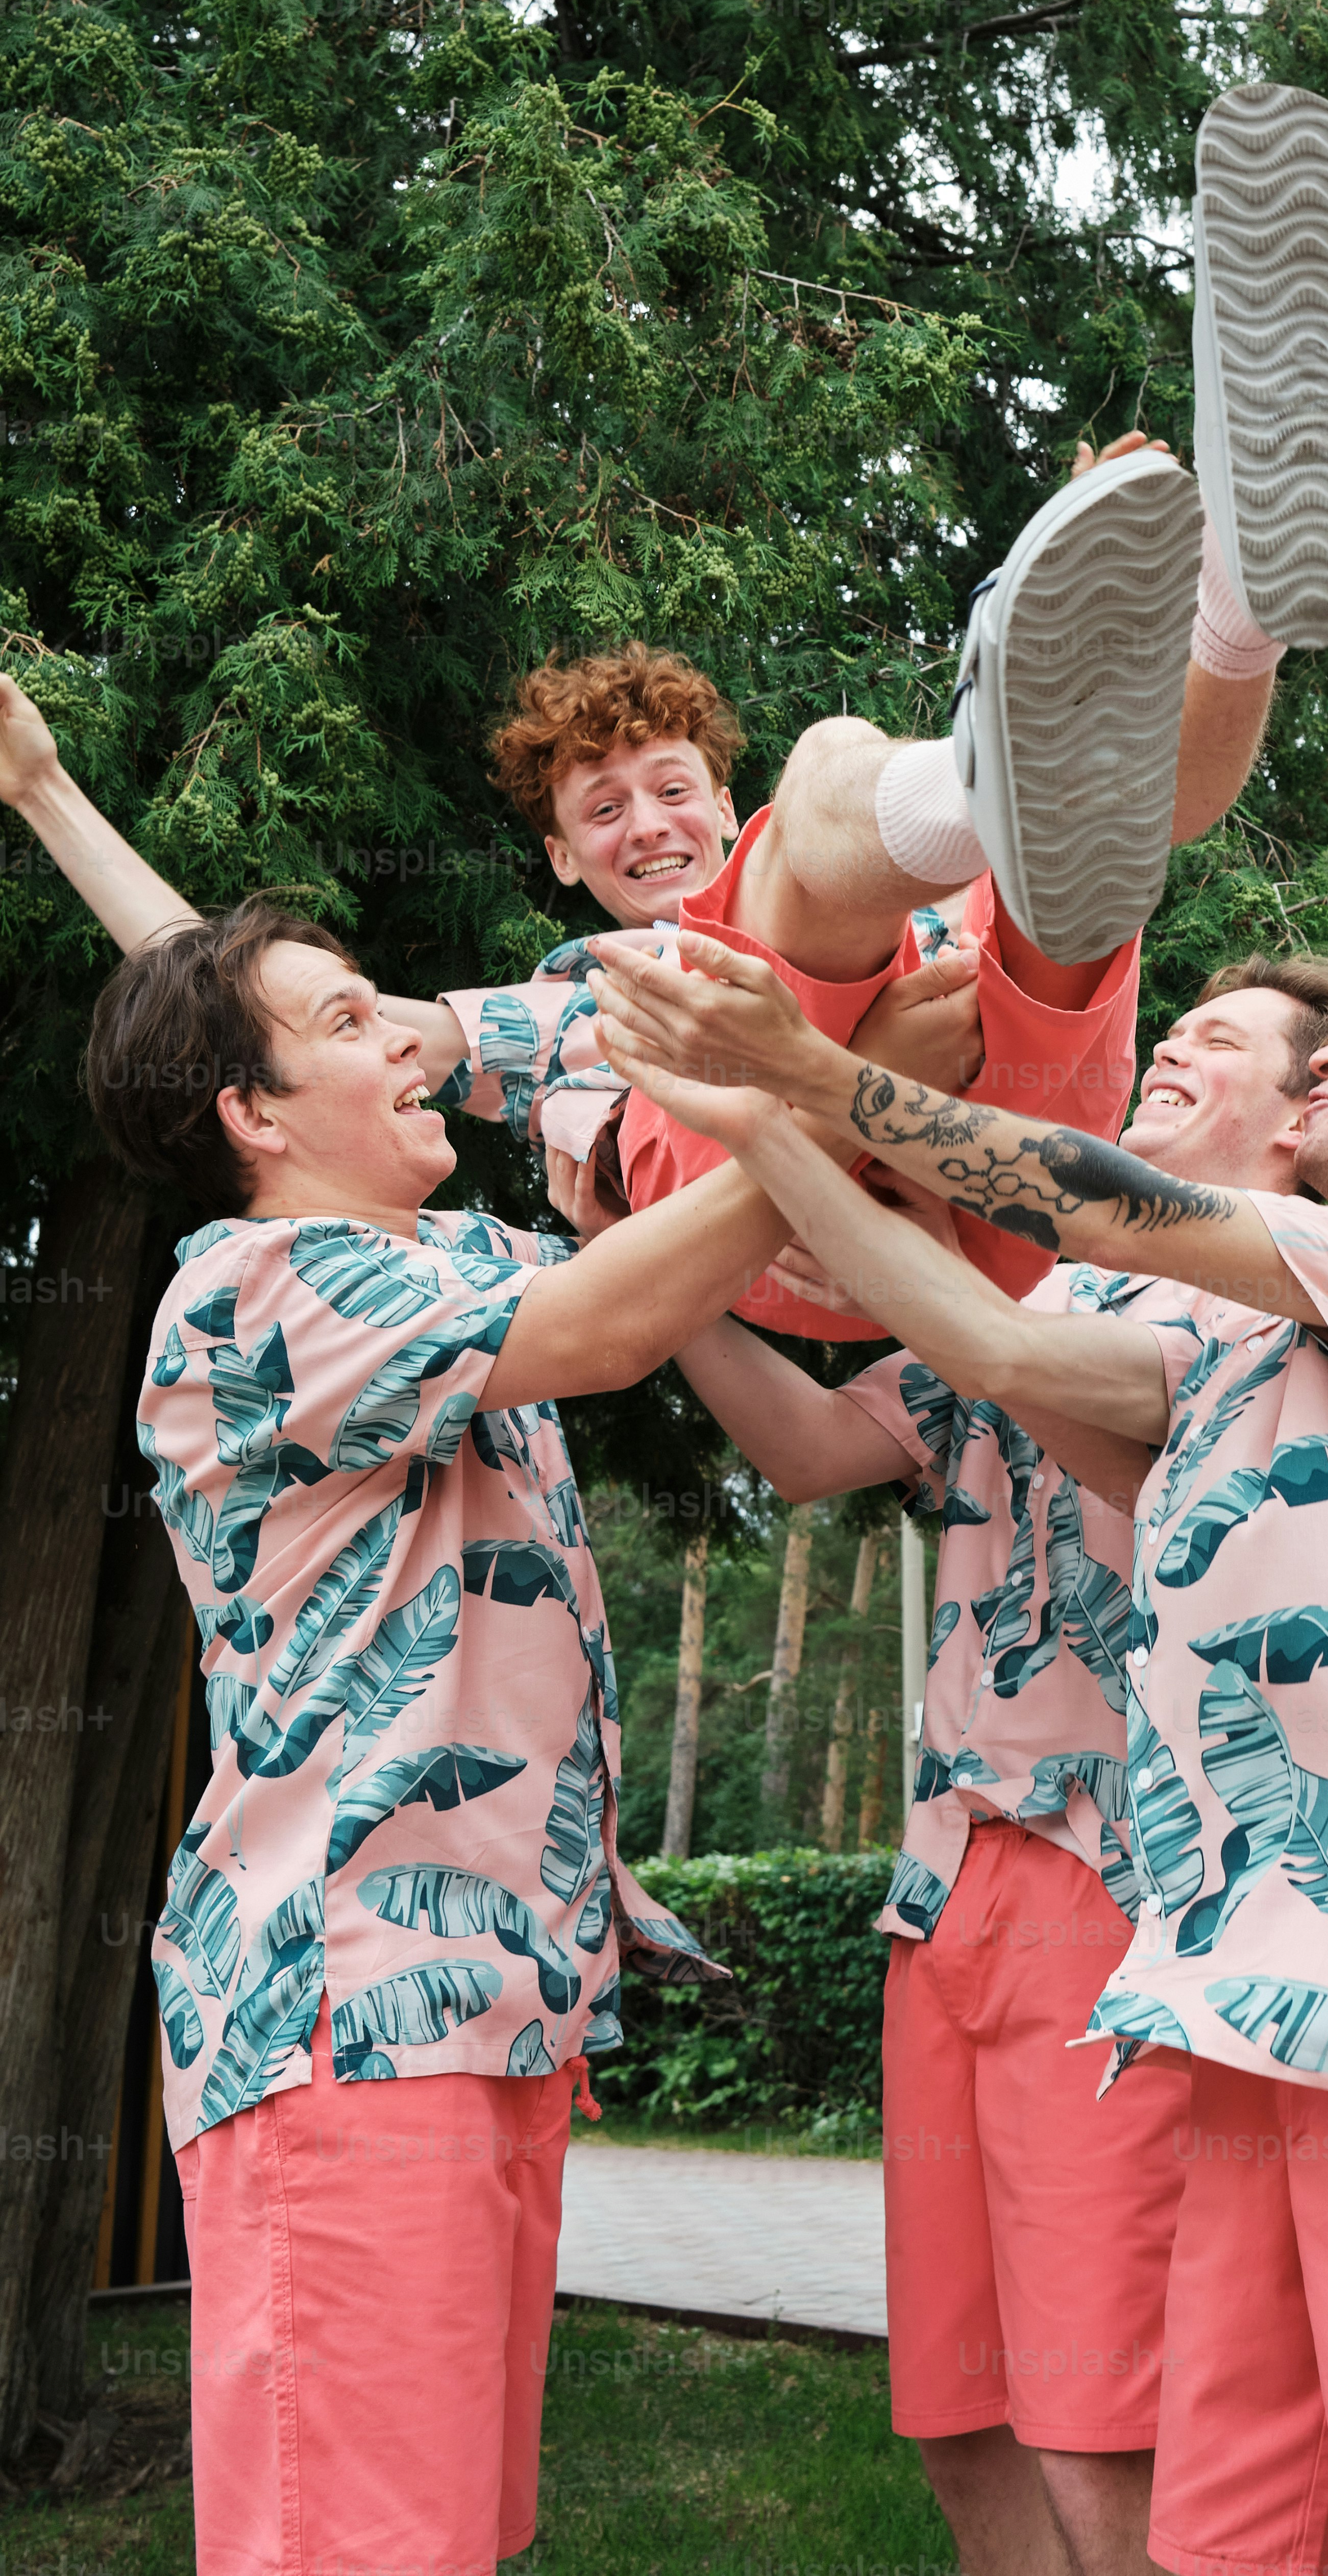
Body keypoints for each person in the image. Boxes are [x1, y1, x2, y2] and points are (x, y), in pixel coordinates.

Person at [579, 881, 1328, 2576]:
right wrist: (751, 1121)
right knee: (1229, 2546)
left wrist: (827, 1086)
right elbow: (981, 1337)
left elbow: (1103, 1216)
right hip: (1256, 2032)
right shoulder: (1255, 1362)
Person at [0, 77, 1328, 1343]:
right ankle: (1014, 747)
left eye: (672, 788)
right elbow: (228, 1009)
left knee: (1081, 865)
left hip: (1012, 1188)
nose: (649, 823)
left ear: (719, 807)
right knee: (843, 763)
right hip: (764, 1215)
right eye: (599, 810)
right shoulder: (570, 1003)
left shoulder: (912, 911)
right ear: (559, 860)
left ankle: (1241, 607)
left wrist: (1141, 643)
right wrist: (43, 790)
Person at [82, 896, 823, 2576]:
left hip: (496, 2004)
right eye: (346, 1025)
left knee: (448, 2541)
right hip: (353, 2006)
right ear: (252, 1121)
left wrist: (817, 1036)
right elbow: (622, 1319)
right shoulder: (255, 1285)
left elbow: (623, 1105)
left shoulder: (458, 1263)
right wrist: (821, 1107)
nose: (399, 1035)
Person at [626, 953, 1328, 2576]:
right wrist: (637, 1270)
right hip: (948, 1893)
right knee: (961, 2411)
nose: (1166, 1054)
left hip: (1121, 1895)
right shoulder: (1031, 1306)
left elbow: (1029, 1382)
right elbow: (813, 1448)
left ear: (1308, 1115)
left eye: (1215, 1042)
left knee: (1109, 2426)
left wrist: (776, 1116)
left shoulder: (1279, 1312)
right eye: (1165, 1032)